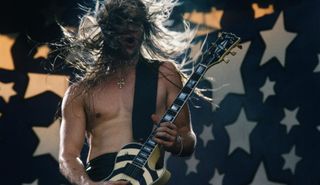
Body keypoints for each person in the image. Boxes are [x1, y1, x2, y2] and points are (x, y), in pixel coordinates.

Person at [58, 0, 197, 184]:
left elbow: (187, 135)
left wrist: (176, 143)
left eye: (136, 23)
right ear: (107, 32)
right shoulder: (81, 91)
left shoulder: (164, 74)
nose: (131, 29)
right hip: (101, 178)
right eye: (122, 23)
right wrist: (89, 184)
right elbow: (67, 157)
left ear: (144, 29)